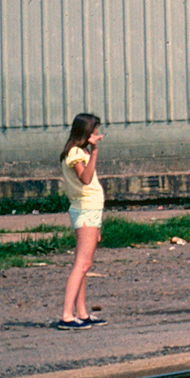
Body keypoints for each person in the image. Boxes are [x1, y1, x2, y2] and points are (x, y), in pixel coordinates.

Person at [56, 114, 106, 329]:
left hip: (91, 211)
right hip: (85, 210)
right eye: (94, 131)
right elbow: (85, 178)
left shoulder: (78, 152)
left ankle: (82, 312)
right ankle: (67, 315)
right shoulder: (76, 153)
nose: (96, 134)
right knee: (82, 264)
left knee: (84, 264)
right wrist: (94, 152)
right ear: (86, 132)